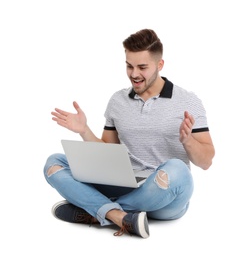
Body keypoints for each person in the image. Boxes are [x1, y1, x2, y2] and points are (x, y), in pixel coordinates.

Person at [44, 29, 215, 239]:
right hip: (122, 184)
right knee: (54, 163)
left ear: (159, 65)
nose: (134, 74)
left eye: (142, 67)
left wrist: (188, 141)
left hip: (164, 196)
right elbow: (107, 152)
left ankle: (97, 210)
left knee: (178, 170)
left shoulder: (187, 101)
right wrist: (84, 130)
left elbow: (206, 161)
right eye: (129, 66)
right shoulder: (118, 101)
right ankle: (118, 216)